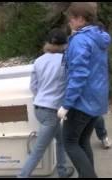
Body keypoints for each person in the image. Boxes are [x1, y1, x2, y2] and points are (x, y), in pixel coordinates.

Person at [57, 2, 111, 178]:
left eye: (71, 18)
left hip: (82, 101)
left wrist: (66, 104)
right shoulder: (97, 36)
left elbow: (78, 75)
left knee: (70, 142)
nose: (69, 21)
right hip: (97, 99)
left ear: (80, 19)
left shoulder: (80, 40)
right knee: (82, 141)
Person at [17, 28, 74, 178]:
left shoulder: (38, 61)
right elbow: (70, 85)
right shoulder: (64, 61)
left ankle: (62, 171)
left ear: (47, 43)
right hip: (52, 111)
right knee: (38, 151)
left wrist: (43, 97)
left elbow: (33, 87)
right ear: (65, 45)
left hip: (39, 108)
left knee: (61, 140)